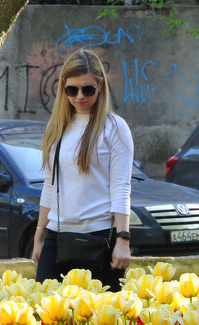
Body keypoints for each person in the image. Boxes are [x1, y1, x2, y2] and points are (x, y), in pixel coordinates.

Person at [32, 49, 134, 291]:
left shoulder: (114, 128)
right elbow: (50, 185)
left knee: (101, 323)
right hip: (57, 238)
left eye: (87, 89)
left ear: (100, 86)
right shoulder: (56, 127)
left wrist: (123, 239)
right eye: (72, 90)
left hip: (100, 239)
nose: (79, 96)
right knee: (44, 321)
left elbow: (121, 187)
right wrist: (39, 238)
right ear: (63, 87)